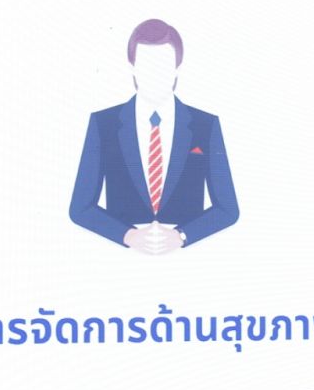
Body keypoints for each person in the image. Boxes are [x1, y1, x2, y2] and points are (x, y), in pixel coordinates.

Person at [69, 18, 239, 254]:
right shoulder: (104, 124)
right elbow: (80, 208)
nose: (155, 75)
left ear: (177, 67)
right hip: (119, 254)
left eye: (163, 65)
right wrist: (127, 235)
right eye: (147, 65)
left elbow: (228, 209)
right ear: (132, 66)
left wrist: (182, 235)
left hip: (189, 255)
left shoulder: (205, 126)